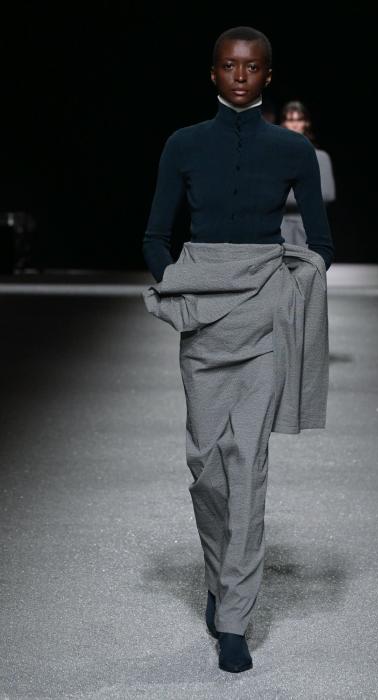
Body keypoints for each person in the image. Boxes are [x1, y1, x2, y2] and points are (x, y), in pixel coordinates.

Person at [141, 26, 334, 673]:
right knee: (205, 466)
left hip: (262, 321)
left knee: (246, 464)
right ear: (213, 73)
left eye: (252, 67)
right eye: (229, 65)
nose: (241, 76)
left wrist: (287, 293)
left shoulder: (292, 150)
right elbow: (155, 234)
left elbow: (320, 244)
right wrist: (178, 286)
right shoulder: (183, 144)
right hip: (203, 320)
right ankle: (218, 577)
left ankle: (234, 619)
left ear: (268, 76)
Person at [281, 100, 336, 247]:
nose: (294, 124)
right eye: (290, 120)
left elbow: (327, 194)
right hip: (279, 229)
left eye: (299, 120)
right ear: (284, 123)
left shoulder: (320, 157)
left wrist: (285, 195)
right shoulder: (274, 158)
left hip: (308, 229)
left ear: (306, 123)